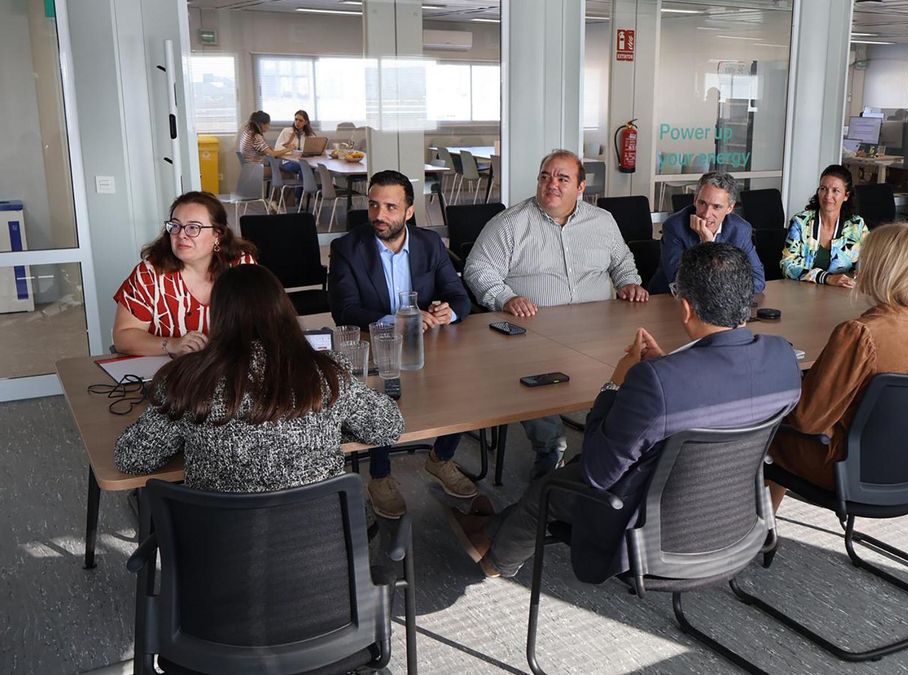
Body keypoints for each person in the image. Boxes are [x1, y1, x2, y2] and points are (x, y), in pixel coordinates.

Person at [448, 243, 802, 580]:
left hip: (653, 531)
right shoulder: (783, 357)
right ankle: (488, 530)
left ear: (686, 308)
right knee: (570, 473)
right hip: (733, 520)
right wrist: (668, 367)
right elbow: (723, 397)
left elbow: (598, 472)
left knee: (549, 487)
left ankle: (496, 561)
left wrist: (616, 384)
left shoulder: (655, 382)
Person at [114, 264, 404, 494]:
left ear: (218, 317)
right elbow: (388, 426)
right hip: (323, 543)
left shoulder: (189, 379)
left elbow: (132, 457)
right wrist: (331, 424)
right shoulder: (326, 374)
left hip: (218, 547)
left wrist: (192, 435)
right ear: (284, 310)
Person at [463, 149, 649, 478]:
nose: (552, 184)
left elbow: (622, 260)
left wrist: (629, 282)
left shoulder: (602, 221)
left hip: (600, 329)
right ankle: (551, 449)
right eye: (546, 177)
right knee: (522, 375)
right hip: (534, 334)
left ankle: (617, 444)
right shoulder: (511, 224)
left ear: (581, 187)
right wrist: (506, 297)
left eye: (563, 178)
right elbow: (478, 269)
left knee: (643, 365)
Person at [767, 223, 908, 507]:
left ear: (880, 267)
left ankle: (756, 527)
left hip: (850, 469)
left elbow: (807, 421)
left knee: (763, 432)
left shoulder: (860, 334)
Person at [328, 170, 476, 510]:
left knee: (464, 389)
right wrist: (398, 321)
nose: (379, 215)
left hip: (429, 344)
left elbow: (459, 296)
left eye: (390, 207)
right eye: (373, 205)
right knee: (382, 397)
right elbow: (344, 311)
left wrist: (448, 312)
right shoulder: (347, 248)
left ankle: (441, 458)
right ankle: (380, 476)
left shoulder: (429, 243)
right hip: (377, 345)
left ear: (409, 211)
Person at [112, 191, 257, 356]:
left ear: (217, 234)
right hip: (169, 367)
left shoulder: (242, 265)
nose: (181, 235)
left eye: (193, 228)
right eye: (175, 226)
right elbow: (123, 337)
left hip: (231, 364)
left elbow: (266, 321)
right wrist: (171, 344)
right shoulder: (149, 274)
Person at [647, 171, 766, 295]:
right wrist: (707, 246)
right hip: (667, 299)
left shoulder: (740, 230)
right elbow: (680, 283)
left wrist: (709, 244)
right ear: (695, 200)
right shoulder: (675, 227)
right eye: (702, 203)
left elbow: (757, 281)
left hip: (720, 302)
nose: (706, 214)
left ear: (730, 208)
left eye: (717, 207)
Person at [780, 164, 869, 287]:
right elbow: (787, 265)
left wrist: (860, 273)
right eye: (823, 189)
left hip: (842, 293)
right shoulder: (801, 222)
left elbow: (871, 261)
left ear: (846, 196)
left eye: (835, 191)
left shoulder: (856, 225)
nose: (828, 196)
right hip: (803, 292)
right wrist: (826, 278)